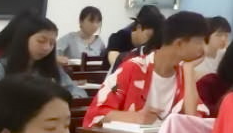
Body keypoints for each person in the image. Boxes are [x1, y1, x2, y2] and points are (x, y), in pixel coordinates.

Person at [81, 11, 210, 127]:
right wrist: (136, 118)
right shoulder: (133, 68)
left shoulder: (183, 75)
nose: (204, 49)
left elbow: (194, 123)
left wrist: (188, 69)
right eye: (200, 42)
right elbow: (96, 114)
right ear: (179, 43)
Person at [0, 16, 87, 100]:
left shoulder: (52, 68)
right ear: (24, 39)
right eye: (41, 41)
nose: (47, 48)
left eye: (52, 43)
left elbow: (77, 91)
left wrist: (73, 98)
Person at [110, 6, 165, 72]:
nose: (151, 41)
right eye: (149, 36)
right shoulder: (118, 38)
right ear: (139, 27)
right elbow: (114, 59)